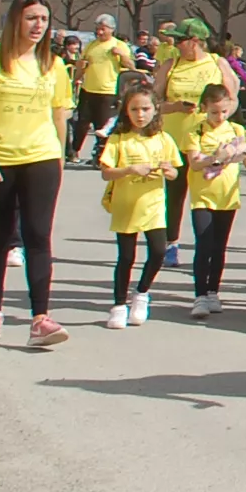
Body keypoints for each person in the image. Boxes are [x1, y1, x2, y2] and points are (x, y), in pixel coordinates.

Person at [0, 0, 76, 345]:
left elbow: (60, 114)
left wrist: (59, 158)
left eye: (43, 19)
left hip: (40, 158)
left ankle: (40, 318)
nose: (38, 26)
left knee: (38, 235)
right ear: (16, 20)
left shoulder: (53, 64)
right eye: (31, 18)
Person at [155, 18, 238, 272]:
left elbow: (232, 98)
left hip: (209, 143)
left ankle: (208, 246)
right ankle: (171, 243)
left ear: (195, 42)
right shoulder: (171, 65)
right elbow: (152, 101)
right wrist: (175, 107)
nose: (175, 44)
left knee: (206, 196)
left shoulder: (217, 63)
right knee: (174, 195)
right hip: (176, 140)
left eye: (180, 40)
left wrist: (218, 116)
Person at [98, 86, 181, 329]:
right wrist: (130, 169)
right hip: (126, 206)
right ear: (126, 111)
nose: (140, 114)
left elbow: (175, 172)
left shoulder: (163, 138)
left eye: (145, 109)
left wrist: (169, 171)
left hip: (153, 206)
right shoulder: (119, 139)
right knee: (126, 257)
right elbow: (106, 172)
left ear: (156, 110)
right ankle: (119, 305)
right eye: (134, 109)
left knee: (157, 252)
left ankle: (142, 293)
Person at [182, 81, 246, 317]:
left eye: (224, 111)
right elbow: (194, 163)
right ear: (204, 108)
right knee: (204, 244)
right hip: (203, 196)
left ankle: (214, 291)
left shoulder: (235, 130)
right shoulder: (196, 130)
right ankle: (200, 295)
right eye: (214, 112)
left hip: (228, 196)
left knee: (220, 246)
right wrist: (216, 157)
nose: (219, 116)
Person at [70, 15, 136, 164]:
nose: (99, 32)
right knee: (82, 123)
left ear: (111, 30)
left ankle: (101, 155)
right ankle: (74, 151)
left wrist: (122, 55)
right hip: (88, 90)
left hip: (108, 92)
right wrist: (75, 79)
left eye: (103, 29)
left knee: (103, 126)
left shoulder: (119, 45)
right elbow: (83, 65)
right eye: (97, 29)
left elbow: (131, 67)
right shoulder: (91, 45)